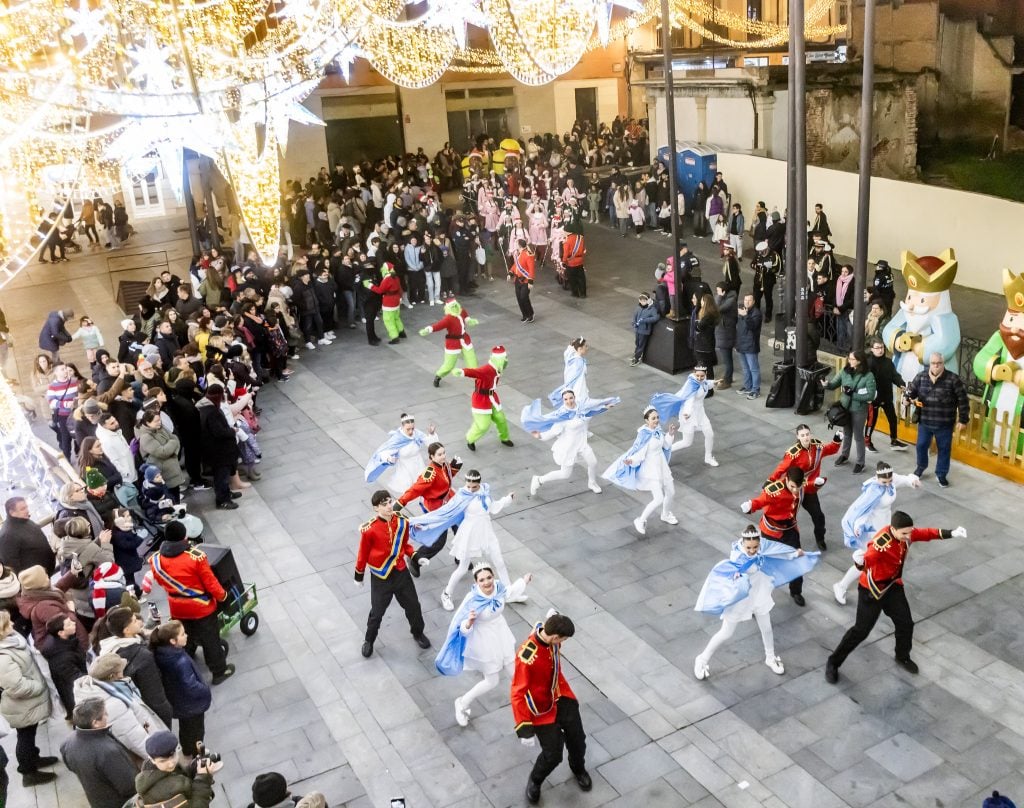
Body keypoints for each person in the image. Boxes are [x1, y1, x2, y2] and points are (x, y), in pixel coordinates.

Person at [825, 512, 966, 683]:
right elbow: (867, 562)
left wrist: (952, 533)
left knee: (906, 624)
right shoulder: (880, 544)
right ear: (893, 529)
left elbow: (926, 533)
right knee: (861, 631)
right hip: (872, 591)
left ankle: (902, 656)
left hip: (892, 586)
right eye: (904, 533)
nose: (908, 536)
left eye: (909, 532)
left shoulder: (906, 533)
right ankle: (833, 662)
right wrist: (859, 562)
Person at [693, 525, 819, 680]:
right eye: (749, 547)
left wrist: (794, 554)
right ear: (743, 543)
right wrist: (736, 577)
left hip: (759, 594)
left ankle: (770, 657)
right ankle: (702, 659)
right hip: (741, 600)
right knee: (726, 633)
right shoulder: (738, 558)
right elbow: (732, 572)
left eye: (755, 547)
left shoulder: (762, 547)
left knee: (766, 628)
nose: (752, 550)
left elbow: (775, 551)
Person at [409, 470, 520, 611]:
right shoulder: (462, 495)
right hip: (469, 535)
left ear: (479, 483)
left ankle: (508, 592)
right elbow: (444, 513)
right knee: (462, 568)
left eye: (474, 486)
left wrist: (507, 499)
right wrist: (424, 524)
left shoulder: (485, 491)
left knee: (499, 562)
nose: (471, 489)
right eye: (468, 486)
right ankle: (446, 594)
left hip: (487, 532)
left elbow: (493, 507)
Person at [436, 563, 532, 727]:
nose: (487, 582)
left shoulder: (498, 588)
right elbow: (460, 625)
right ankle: (462, 702)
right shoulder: (472, 600)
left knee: (514, 673)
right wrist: (469, 622)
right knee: (492, 681)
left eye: (489, 577)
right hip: (485, 641)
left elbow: (509, 592)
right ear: (476, 582)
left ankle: (530, 706)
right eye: (482, 580)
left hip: (501, 634)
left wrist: (523, 581)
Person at [512, 612, 591, 805]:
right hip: (540, 709)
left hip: (560, 694)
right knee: (553, 754)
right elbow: (517, 693)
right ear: (555, 637)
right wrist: (524, 727)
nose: (563, 643)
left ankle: (578, 768)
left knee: (578, 740)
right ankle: (535, 780)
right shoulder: (527, 657)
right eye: (562, 639)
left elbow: (542, 625)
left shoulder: (549, 635)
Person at [148, 521, 235, 683]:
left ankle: (188, 658)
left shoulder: (155, 560)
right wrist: (223, 596)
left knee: (184, 634)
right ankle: (219, 672)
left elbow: (161, 582)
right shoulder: (195, 557)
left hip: (177, 607)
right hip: (201, 607)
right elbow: (211, 583)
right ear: (185, 537)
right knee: (211, 641)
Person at [354, 490, 430, 658]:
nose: (389, 506)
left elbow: (405, 545)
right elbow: (362, 554)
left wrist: (416, 557)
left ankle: (418, 632)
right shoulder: (369, 529)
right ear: (376, 508)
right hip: (381, 576)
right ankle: (369, 640)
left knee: (413, 606)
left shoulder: (402, 522)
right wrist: (359, 575)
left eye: (390, 502)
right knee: (377, 612)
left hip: (401, 572)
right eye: (384, 504)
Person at [834, 461, 921, 605]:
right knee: (868, 558)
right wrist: (858, 525)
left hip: (886, 524)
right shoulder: (873, 490)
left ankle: (878, 582)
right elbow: (862, 509)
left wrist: (912, 481)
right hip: (873, 528)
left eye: (889, 481)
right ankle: (842, 585)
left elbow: (903, 480)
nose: (887, 484)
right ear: (877, 478)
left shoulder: (891, 479)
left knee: (880, 557)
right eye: (884, 482)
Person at [525, 389, 618, 499]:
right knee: (565, 474)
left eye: (571, 398)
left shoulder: (580, 408)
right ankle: (539, 480)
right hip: (569, 447)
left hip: (582, 444)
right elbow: (553, 432)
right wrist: (540, 436)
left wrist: (605, 407)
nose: (569, 401)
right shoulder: (562, 416)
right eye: (566, 399)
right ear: (563, 400)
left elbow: (590, 412)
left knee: (593, 462)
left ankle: (592, 483)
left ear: (574, 397)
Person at [0, 610, 58, 786]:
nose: (12, 624)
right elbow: (16, 686)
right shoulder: (2, 656)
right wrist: (38, 686)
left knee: (29, 733)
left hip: (27, 702)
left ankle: (33, 757)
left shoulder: (11, 640)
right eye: (7, 623)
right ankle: (28, 772)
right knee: (25, 736)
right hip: (21, 705)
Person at [73, 653, 168, 758]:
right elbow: (135, 737)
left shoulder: (104, 686)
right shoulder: (113, 705)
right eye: (120, 670)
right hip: (150, 747)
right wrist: (161, 757)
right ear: (112, 676)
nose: (123, 671)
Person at [602, 406, 678, 536]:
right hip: (651, 470)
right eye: (653, 418)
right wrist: (631, 460)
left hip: (662, 466)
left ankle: (665, 514)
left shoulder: (658, 431)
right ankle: (640, 520)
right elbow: (639, 452)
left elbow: (665, 445)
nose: (656, 420)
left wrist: (670, 434)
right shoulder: (644, 434)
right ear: (646, 420)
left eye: (657, 417)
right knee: (659, 498)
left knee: (671, 492)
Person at [93, 606, 173, 726]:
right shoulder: (142, 657)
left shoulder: (109, 647)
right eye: (135, 621)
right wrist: (166, 712)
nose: (139, 622)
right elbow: (154, 693)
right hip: (153, 712)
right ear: (127, 630)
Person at [741, 466, 807, 605]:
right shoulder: (774, 491)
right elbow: (760, 501)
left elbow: (809, 485)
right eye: (792, 486)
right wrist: (750, 506)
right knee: (766, 567)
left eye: (798, 487)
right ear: (786, 479)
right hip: (771, 531)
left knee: (797, 561)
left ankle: (796, 591)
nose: (795, 490)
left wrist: (817, 484)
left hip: (790, 530)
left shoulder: (800, 485)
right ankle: (758, 597)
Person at [905, 352, 970, 487]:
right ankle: (921, 467)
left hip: (944, 423)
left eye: (939, 363)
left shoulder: (953, 379)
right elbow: (911, 391)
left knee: (944, 449)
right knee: (921, 446)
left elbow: (963, 400)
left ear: (943, 363)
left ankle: (941, 474)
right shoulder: (921, 377)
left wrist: (963, 420)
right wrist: (906, 399)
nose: (936, 366)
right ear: (929, 364)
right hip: (925, 421)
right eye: (933, 363)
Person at [60, 698, 139, 808]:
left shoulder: (67, 743)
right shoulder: (109, 752)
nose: (107, 716)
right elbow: (129, 786)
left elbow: (71, 767)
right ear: (95, 723)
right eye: (105, 714)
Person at [396, 441, 463, 565]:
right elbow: (415, 489)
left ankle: (460, 556)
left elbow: (445, 480)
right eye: (439, 454)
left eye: (444, 453)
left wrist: (454, 467)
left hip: (449, 502)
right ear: (432, 457)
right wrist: (400, 503)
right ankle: (416, 558)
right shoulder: (430, 473)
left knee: (460, 528)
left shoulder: (444, 465)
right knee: (439, 541)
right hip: (436, 507)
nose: (443, 456)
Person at [150, 620, 212, 754]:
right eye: (183, 634)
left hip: (179, 702)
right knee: (196, 731)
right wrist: (205, 690)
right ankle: (196, 754)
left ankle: (187, 751)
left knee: (186, 729)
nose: (186, 635)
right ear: (173, 641)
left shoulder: (162, 653)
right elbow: (191, 685)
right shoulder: (180, 661)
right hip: (192, 705)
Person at [650, 363, 718, 467]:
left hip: (700, 413)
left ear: (706, 374)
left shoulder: (703, 381)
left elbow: (706, 384)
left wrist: (714, 383)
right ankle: (663, 452)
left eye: (702, 376)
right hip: (689, 415)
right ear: (694, 373)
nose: (699, 378)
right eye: (697, 376)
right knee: (687, 442)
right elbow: (688, 401)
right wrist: (687, 413)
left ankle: (708, 457)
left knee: (710, 434)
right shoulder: (691, 385)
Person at [452, 345, 513, 451]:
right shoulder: (487, 369)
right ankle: (470, 439)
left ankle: (504, 438)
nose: (505, 361)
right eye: (503, 359)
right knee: (483, 425)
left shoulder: (497, 368)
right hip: (481, 399)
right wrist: (462, 372)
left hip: (492, 397)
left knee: (501, 418)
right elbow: (475, 372)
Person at [825, 350, 877, 474]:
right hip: (845, 408)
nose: (850, 361)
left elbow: (870, 396)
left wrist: (853, 395)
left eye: (852, 359)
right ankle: (844, 455)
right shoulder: (845, 371)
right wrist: (826, 384)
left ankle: (860, 462)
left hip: (859, 410)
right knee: (847, 433)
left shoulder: (868, 376)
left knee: (858, 436)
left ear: (859, 361)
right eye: (849, 358)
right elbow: (833, 384)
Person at [135, 730, 217, 808]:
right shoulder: (166, 791)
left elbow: (178, 775)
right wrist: (203, 778)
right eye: (163, 761)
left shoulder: (152, 770)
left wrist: (194, 768)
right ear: (152, 760)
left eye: (173, 756)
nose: (171, 764)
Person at [364, 413, 439, 497]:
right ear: (402, 426)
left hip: (418, 465)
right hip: (405, 469)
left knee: (424, 487)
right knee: (408, 491)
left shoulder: (417, 434)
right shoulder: (398, 439)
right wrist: (388, 458)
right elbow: (383, 452)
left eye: (412, 428)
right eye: (408, 429)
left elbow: (431, 445)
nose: (411, 431)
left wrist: (432, 434)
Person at [196, 383, 240, 509]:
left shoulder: (204, 408)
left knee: (221, 475)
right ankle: (223, 500)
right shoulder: (212, 412)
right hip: (219, 451)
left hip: (215, 450)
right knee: (222, 476)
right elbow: (219, 432)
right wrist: (232, 431)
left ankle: (226, 493)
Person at [419, 298, 478, 388]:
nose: (455, 307)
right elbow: (438, 325)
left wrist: (470, 321)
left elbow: (466, 318)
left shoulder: (462, 311)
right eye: (452, 306)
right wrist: (428, 330)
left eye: (455, 305)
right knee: (449, 364)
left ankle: (477, 379)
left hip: (465, 340)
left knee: (472, 360)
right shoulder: (448, 319)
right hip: (453, 343)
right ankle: (438, 376)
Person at [865, 337, 908, 452]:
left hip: (887, 396)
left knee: (893, 419)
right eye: (877, 348)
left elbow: (895, 376)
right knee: (871, 422)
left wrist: (901, 384)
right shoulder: (868, 363)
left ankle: (894, 441)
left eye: (882, 347)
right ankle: (867, 442)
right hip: (873, 398)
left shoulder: (888, 362)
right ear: (872, 349)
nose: (880, 350)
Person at [40, 614, 87, 720]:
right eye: (69, 624)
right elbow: (75, 677)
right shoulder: (60, 656)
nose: (74, 623)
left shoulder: (67, 640)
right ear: (61, 632)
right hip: (74, 693)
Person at [0, 497, 56, 574]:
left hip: (45, 572)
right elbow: (11, 565)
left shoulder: (23, 520)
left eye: (26, 507)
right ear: (12, 512)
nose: (27, 511)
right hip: (36, 577)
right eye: (23, 509)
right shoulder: (7, 535)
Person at [363, 263, 405, 344]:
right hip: (396, 300)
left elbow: (380, 290)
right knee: (396, 317)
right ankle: (401, 332)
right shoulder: (396, 277)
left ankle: (394, 337)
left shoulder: (387, 279)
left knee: (388, 320)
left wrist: (370, 286)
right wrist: (400, 297)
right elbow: (400, 289)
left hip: (389, 301)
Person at [735, 293, 764, 399]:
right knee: (745, 368)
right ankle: (747, 386)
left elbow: (753, 326)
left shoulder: (756, 313)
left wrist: (745, 315)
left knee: (753, 369)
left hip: (751, 345)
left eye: (749, 300)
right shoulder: (742, 310)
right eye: (745, 300)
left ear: (754, 301)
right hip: (741, 344)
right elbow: (739, 328)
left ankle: (756, 390)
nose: (746, 302)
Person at [690, 293, 719, 378]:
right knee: (708, 367)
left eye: (702, 300)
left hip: (703, 346)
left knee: (704, 367)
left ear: (705, 302)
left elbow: (698, 327)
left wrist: (696, 323)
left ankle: (707, 385)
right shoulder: (712, 314)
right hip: (708, 344)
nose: (701, 302)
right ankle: (709, 384)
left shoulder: (707, 316)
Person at [509, 239, 535, 323]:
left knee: (524, 297)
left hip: (526, 280)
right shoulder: (518, 253)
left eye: (516, 244)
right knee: (519, 298)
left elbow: (531, 269)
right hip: (517, 280)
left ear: (519, 245)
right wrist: (510, 272)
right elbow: (516, 265)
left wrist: (530, 281)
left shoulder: (528, 254)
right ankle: (524, 315)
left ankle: (530, 314)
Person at [631, 293, 660, 366]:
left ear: (648, 300)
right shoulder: (638, 307)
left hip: (644, 331)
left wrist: (645, 320)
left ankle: (637, 358)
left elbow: (656, 317)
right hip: (637, 329)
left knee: (641, 344)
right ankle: (636, 354)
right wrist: (633, 322)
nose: (642, 302)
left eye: (644, 300)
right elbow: (634, 315)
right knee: (637, 343)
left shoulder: (652, 309)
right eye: (641, 300)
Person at [561, 230, 587, 298]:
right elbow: (584, 250)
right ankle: (583, 293)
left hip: (571, 262)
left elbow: (566, 253)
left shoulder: (567, 240)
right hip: (580, 261)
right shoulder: (580, 238)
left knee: (572, 278)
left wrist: (564, 261)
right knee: (581, 278)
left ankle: (575, 293)